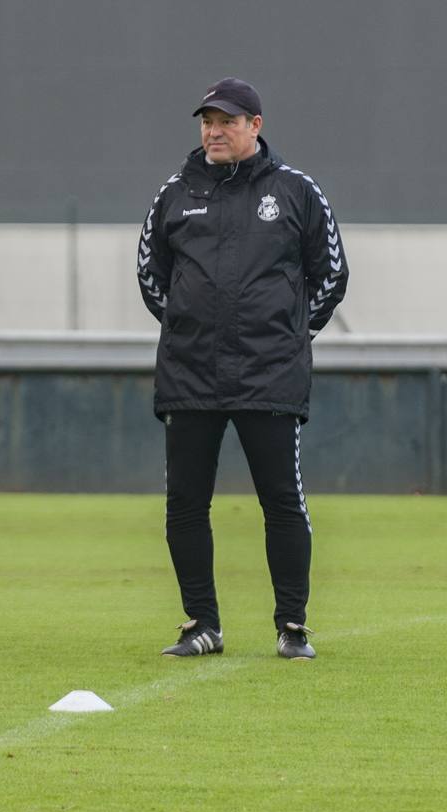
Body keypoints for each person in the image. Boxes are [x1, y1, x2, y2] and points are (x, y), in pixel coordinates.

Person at [136, 78, 349, 660]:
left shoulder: (296, 191)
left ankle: (292, 627)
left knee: (281, 500)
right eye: (207, 121)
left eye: (226, 121)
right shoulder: (175, 193)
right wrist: (187, 325)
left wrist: (291, 334)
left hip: (269, 374)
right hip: (191, 374)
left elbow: (331, 275)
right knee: (184, 503)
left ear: (255, 125)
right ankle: (201, 623)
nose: (214, 131)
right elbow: (150, 276)